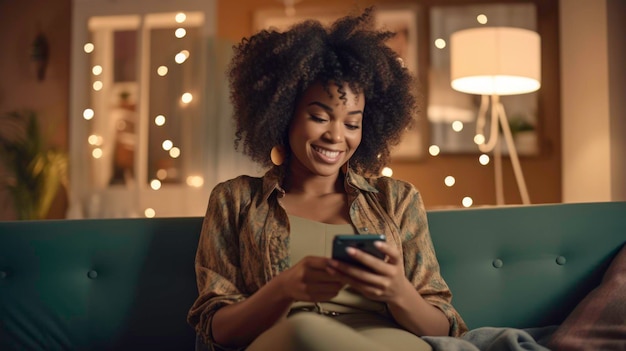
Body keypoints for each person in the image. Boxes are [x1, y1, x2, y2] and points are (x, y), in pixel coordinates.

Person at [187, 7, 467, 351]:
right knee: (305, 331)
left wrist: (398, 290)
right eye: (319, 117)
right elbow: (218, 329)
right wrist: (284, 289)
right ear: (284, 114)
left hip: (387, 340)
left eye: (352, 123)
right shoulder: (235, 199)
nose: (336, 136)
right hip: (290, 340)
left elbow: (444, 328)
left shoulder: (397, 199)